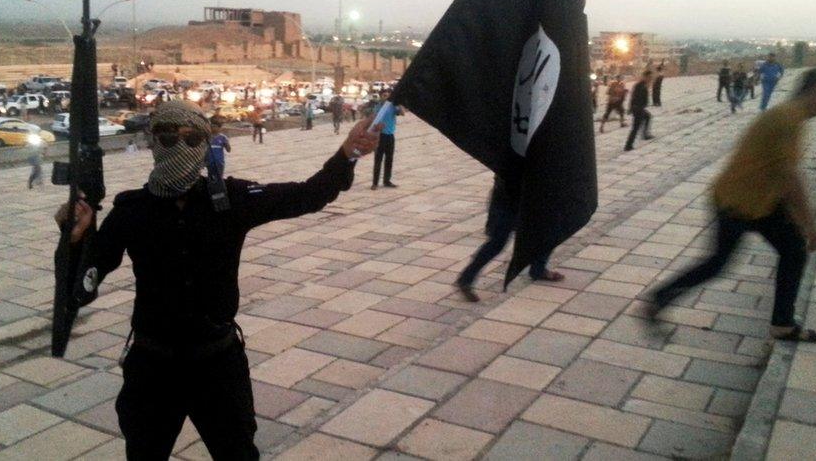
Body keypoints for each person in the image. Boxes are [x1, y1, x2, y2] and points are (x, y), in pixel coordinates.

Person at [54, 100, 380, 460]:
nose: (178, 145)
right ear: (153, 140)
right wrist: (75, 241)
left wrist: (348, 153)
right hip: (153, 367)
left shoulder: (229, 200)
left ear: (205, 142)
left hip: (217, 363)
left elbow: (308, 194)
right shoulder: (132, 212)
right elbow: (83, 287)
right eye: (167, 136)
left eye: (191, 137)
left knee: (237, 453)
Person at [648, 68, 816, 344]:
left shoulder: (791, 117)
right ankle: (659, 297)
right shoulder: (788, 119)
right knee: (718, 263)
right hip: (737, 202)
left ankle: (783, 324)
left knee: (792, 251)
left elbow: (781, 174)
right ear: (815, 91)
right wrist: (811, 228)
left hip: (758, 201)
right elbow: (790, 178)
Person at [456, 175, 564, 301]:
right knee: (497, 242)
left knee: (547, 231)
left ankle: (538, 269)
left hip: (531, 196)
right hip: (508, 198)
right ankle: (466, 278)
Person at [372, 90, 401, 190]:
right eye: (384, 95)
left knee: (389, 159)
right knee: (378, 159)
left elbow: (401, 113)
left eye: (388, 96)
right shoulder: (377, 107)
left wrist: (398, 103)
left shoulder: (393, 106)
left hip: (390, 136)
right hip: (380, 136)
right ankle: (375, 183)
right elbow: (374, 119)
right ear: (381, 96)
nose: (387, 97)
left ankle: (387, 181)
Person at [624, 69, 655, 151]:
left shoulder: (644, 84)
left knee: (648, 116)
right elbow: (633, 97)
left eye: (651, 78)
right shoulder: (640, 85)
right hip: (638, 108)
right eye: (649, 77)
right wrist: (630, 108)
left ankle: (645, 134)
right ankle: (628, 145)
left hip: (640, 108)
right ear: (645, 77)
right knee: (635, 128)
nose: (650, 79)